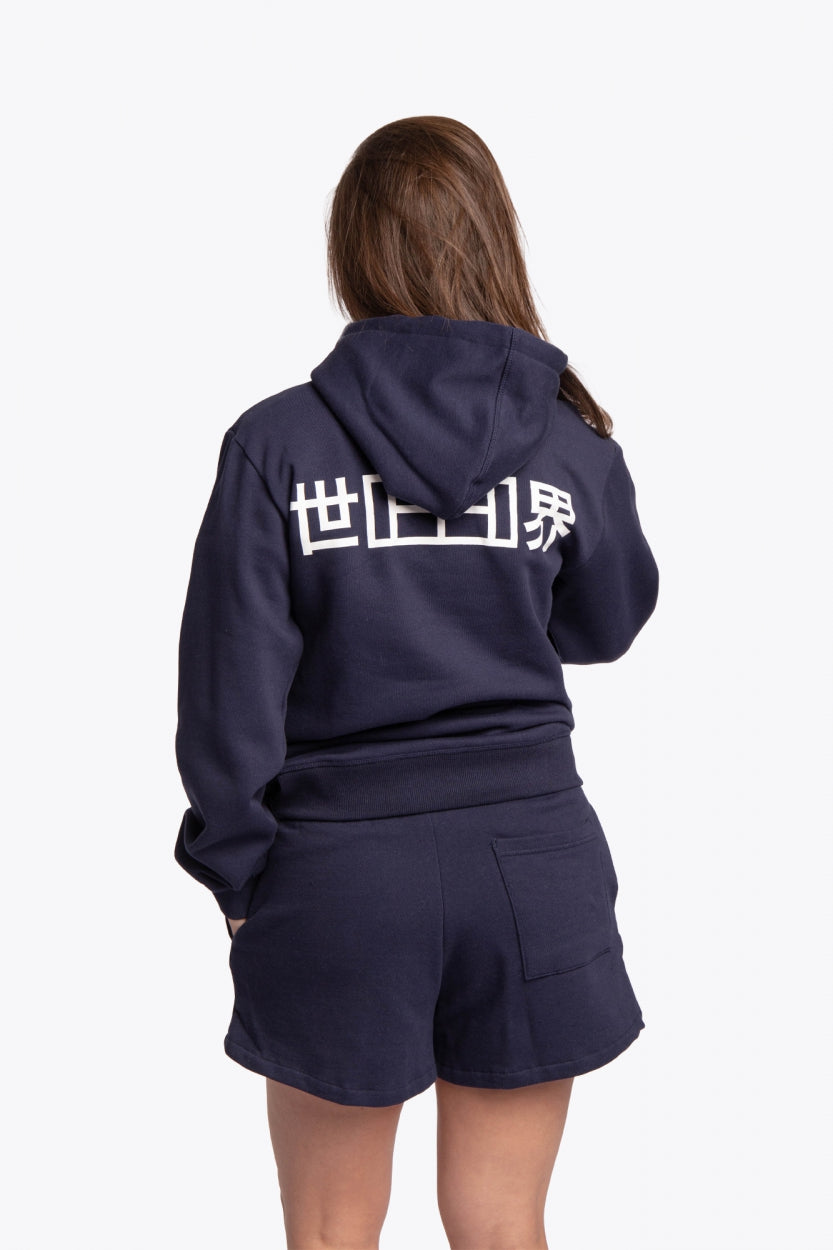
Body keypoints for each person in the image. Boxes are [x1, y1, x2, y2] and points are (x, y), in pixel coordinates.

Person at [173, 115, 659, 1250]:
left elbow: (227, 689)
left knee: (330, 1230)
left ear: (351, 251)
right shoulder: (566, 441)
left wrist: (237, 870)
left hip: (338, 872)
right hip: (531, 860)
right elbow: (604, 623)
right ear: (495, 242)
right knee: (501, 1220)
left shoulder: (275, 444)